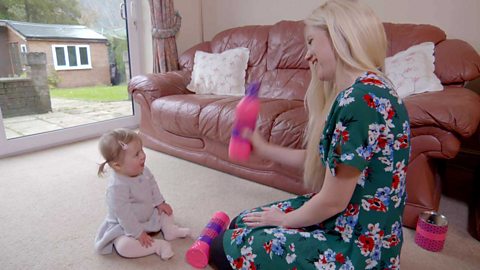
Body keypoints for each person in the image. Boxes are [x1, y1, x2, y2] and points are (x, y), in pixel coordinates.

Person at [209, 0, 410, 269]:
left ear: (340, 36)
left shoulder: (358, 101)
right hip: (369, 234)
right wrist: (262, 147)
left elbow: (332, 201)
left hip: (355, 248)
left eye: (312, 42)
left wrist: (283, 221)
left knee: (221, 248)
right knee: (242, 222)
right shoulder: (377, 88)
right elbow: (324, 161)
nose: (307, 55)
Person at [94, 128, 190, 259]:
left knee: (166, 211)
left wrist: (160, 202)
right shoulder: (117, 187)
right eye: (136, 154)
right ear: (117, 165)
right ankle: (157, 246)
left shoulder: (143, 170)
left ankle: (170, 230)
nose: (143, 156)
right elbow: (124, 215)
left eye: (142, 150)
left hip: (148, 215)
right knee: (123, 247)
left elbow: (152, 185)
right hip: (124, 226)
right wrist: (137, 233)